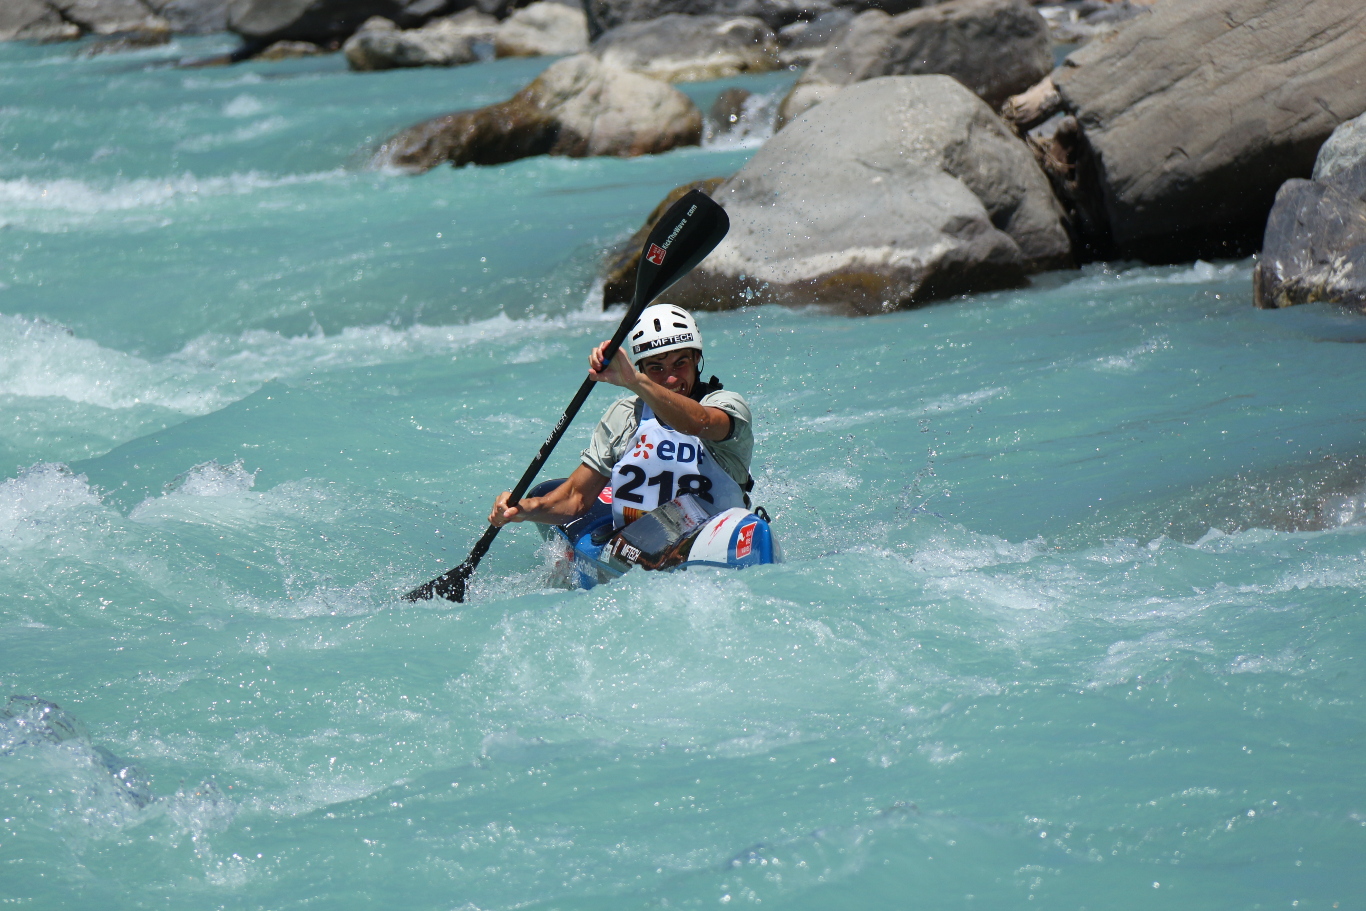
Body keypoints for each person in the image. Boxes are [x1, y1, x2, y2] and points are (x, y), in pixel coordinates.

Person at [489, 304, 753, 531]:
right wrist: (525, 509)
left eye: (680, 364)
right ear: (641, 369)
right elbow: (576, 498)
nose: (670, 379)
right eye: (656, 368)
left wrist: (634, 381)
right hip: (638, 546)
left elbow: (697, 423)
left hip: (715, 537)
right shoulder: (625, 416)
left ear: (697, 357)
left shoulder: (727, 406)